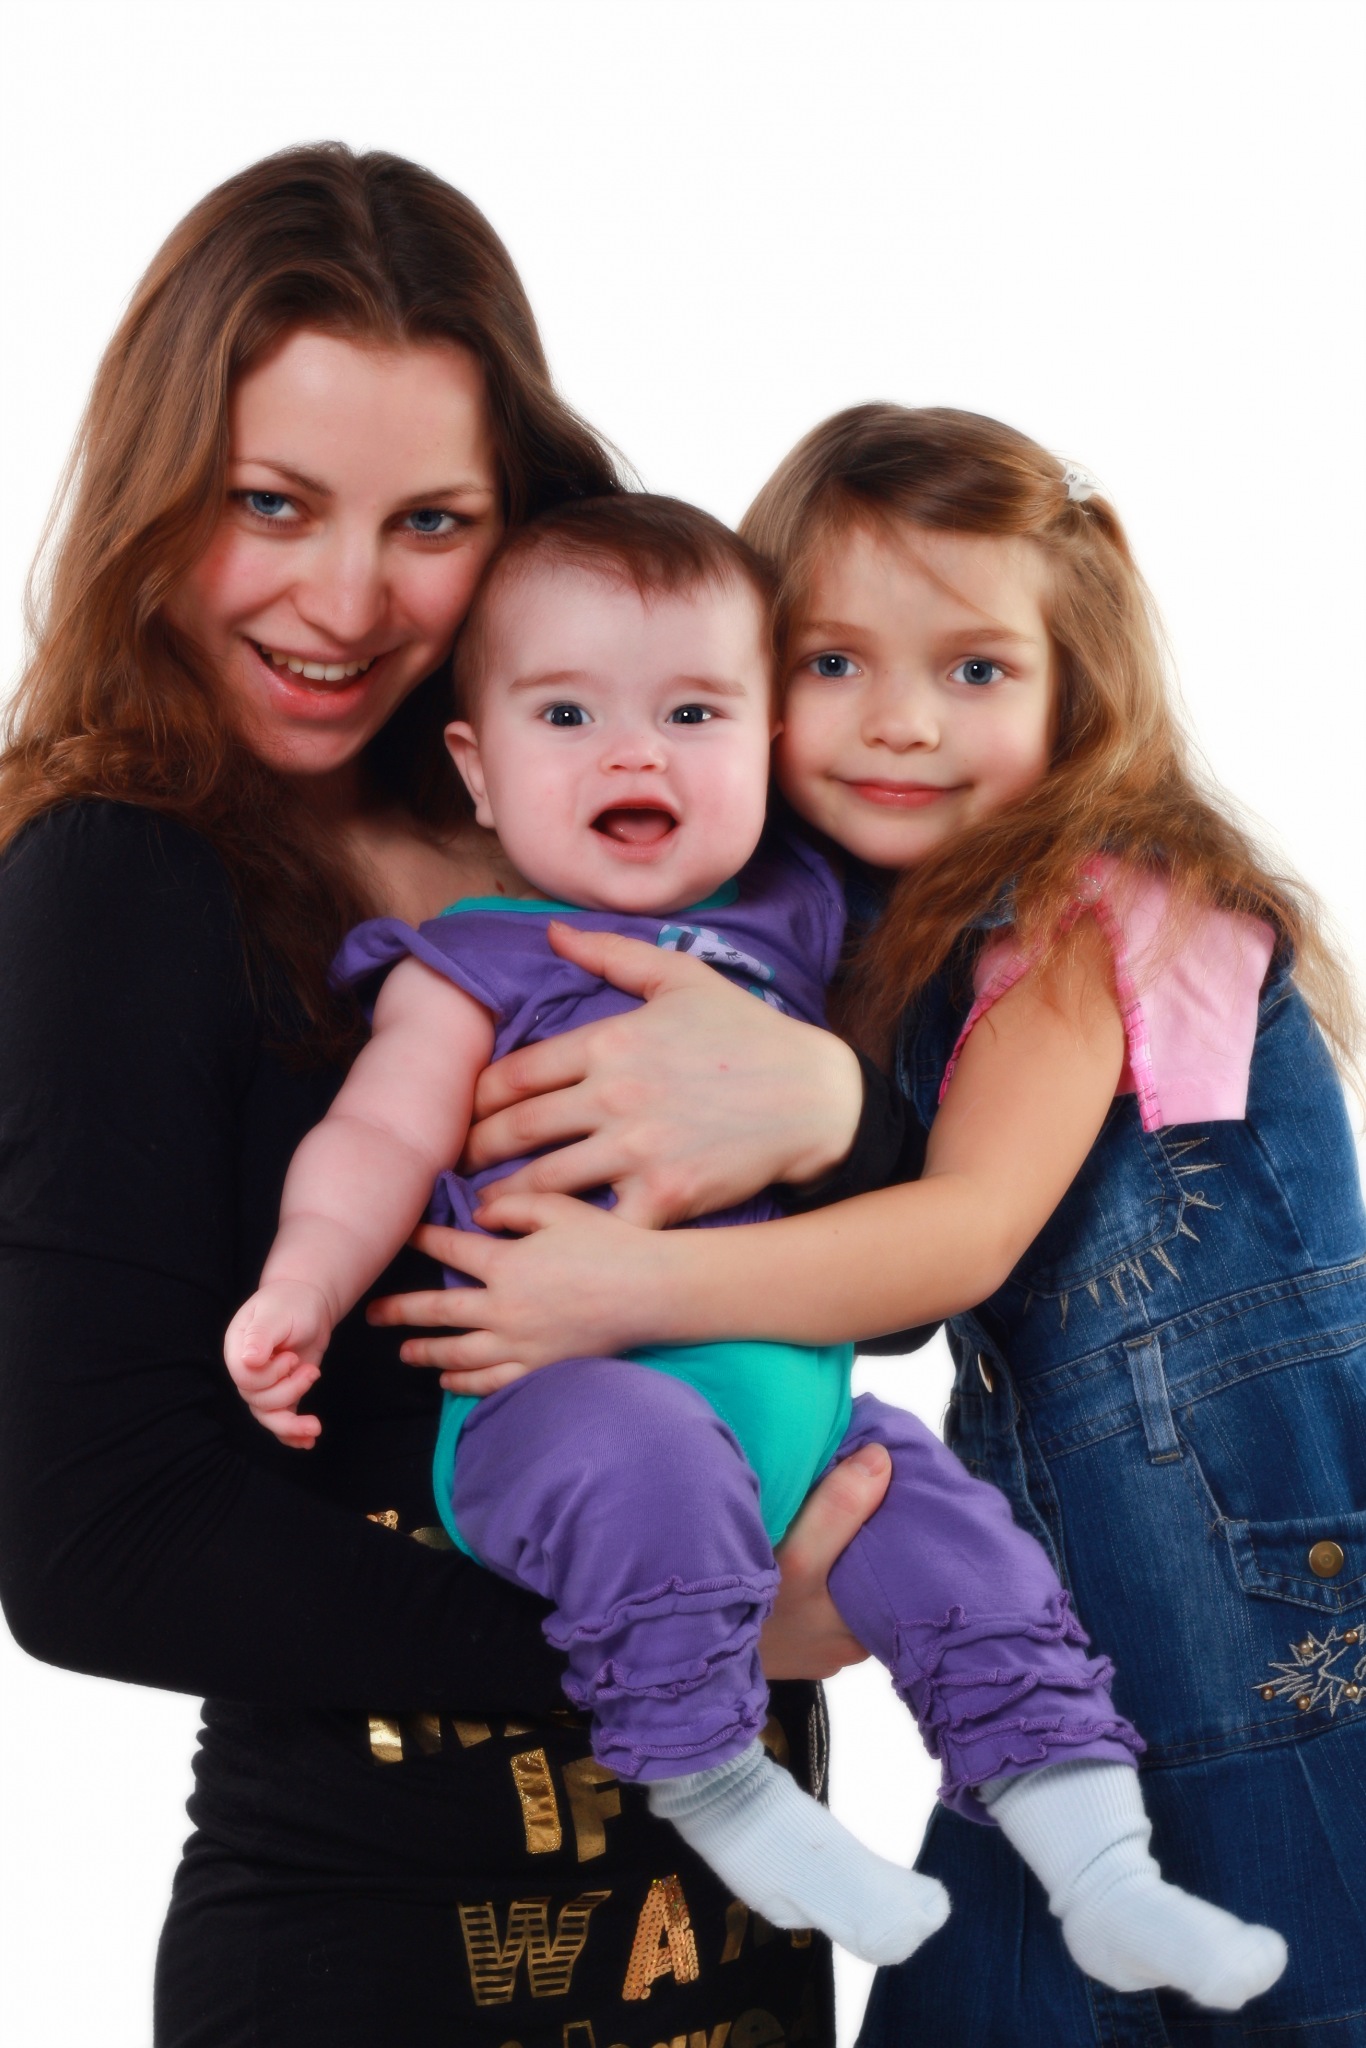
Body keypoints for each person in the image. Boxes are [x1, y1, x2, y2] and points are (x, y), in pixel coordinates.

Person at [0, 145, 884, 2048]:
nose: (342, 600)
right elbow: (94, 1550)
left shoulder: (627, 804)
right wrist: (691, 1649)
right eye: (268, 502)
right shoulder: (116, 880)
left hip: (739, 1963)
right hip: (371, 1969)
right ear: (159, 494)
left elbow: (892, 1270)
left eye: (429, 521)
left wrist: (828, 1103)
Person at [382, 407, 1366, 2044]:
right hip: (1065, 1616)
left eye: (973, 668)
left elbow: (955, 1239)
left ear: (1072, 691)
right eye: (835, 663)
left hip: (1273, 1617)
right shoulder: (838, 933)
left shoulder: (1098, 898)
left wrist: (621, 1286)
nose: (900, 721)